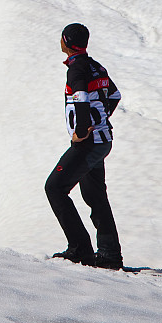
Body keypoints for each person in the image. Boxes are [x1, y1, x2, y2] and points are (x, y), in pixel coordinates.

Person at [44, 22, 123, 269]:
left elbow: (81, 98)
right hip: (103, 140)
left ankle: (80, 249)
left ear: (65, 41)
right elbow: (115, 95)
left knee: (55, 187)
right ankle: (109, 255)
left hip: (89, 143)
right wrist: (101, 119)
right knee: (94, 194)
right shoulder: (95, 66)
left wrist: (81, 131)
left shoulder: (77, 69)